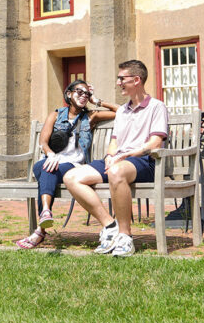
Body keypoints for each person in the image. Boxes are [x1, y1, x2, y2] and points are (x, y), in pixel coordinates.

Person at [63, 59, 168, 257]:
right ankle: (110, 226)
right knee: (71, 177)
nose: (118, 82)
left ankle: (125, 237)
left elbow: (155, 144)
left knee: (116, 171)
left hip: (144, 160)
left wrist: (127, 155)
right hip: (118, 161)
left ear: (136, 80)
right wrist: (111, 155)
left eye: (122, 78)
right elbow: (114, 141)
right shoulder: (122, 111)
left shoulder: (156, 107)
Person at [15, 79, 116, 249]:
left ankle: (41, 227)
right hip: (51, 160)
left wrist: (97, 101)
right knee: (44, 167)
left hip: (73, 167)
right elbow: (43, 141)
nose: (83, 96)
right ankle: (45, 214)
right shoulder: (55, 115)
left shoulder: (91, 116)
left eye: (87, 93)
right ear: (69, 94)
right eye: (79, 91)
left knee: (47, 170)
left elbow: (121, 111)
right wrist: (51, 155)